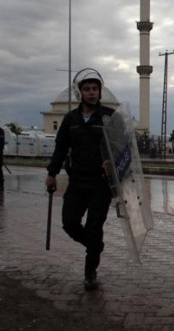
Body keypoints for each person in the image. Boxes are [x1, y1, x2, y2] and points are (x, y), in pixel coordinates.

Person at [45, 68, 114, 291]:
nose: (91, 93)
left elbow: (123, 148)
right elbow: (60, 148)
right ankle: (95, 246)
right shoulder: (71, 119)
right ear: (80, 93)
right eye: (87, 89)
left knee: (94, 227)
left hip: (100, 184)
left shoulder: (108, 117)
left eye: (95, 89)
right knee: (69, 223)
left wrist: (112, 164)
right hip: (77, 182)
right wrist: (52, 173)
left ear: (100, 92)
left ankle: (90, 272)